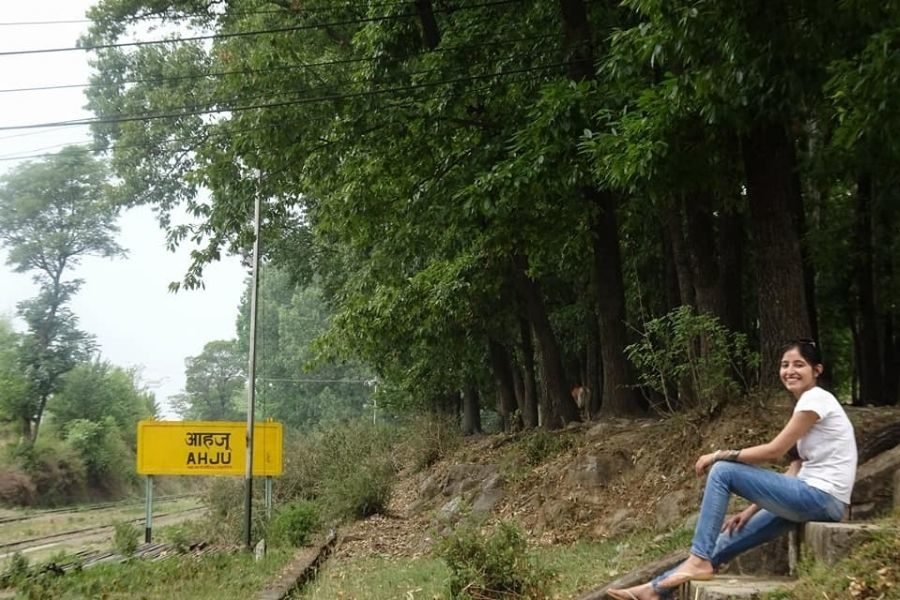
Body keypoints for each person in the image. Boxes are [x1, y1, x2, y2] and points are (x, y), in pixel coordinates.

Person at [607, 339, 857, 600]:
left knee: (723, 471)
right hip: (815, 499)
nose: (789, 371)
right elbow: (795, 467)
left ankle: (697, 560)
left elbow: (774, 451)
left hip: (821, 497)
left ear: (817, 370)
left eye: (799, 365)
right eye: (784, 365)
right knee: (725, 540)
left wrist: (718, 455)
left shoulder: (816, 399)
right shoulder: (806, 404)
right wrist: (749, 512)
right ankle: (655, 591)